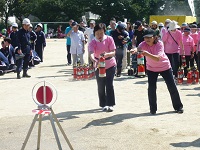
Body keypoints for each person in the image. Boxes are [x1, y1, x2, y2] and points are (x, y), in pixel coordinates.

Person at [130, 29, 184, 114]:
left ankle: (178, 107)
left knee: (172, 87)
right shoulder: (143, 44)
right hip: (151, 68)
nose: (147, 39)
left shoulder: (160, 44)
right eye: (145, 38)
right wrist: (134, 50)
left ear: (155, 37)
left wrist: (147, 54)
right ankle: (153, 109)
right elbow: (138, 48)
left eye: (149, 38)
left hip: (165, 67)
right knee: (151, 89)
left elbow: (158, 58)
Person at [89, 23, 116, 112]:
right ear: (94, 33)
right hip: (99, 65)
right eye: (97, 33)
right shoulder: (93, 41)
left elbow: (113, 52)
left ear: (104, 32)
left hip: (110, 64)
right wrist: (93, 60)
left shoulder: (109, 39)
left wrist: (107, 54)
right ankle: (103, 104)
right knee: (101, 85)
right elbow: (91, 53)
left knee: (109, 84)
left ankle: (110, 104)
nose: (99, 35)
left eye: (101, 33)